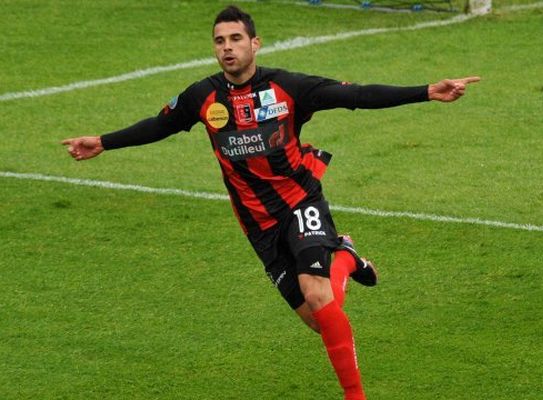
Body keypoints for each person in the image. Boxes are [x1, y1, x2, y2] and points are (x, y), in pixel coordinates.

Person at [62, 6, 479, 400]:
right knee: (319, 320)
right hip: (257, 223)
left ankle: (356, 395)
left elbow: (357, 95)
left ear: (255, 44)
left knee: (318, 295)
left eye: (236, 38)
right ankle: (347, 257)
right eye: (219, 40)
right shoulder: (202, 97)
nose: (227, 47)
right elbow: (160, 125)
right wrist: (102, 142)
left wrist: (427, 91)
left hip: (300, 201)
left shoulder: (289, 87)